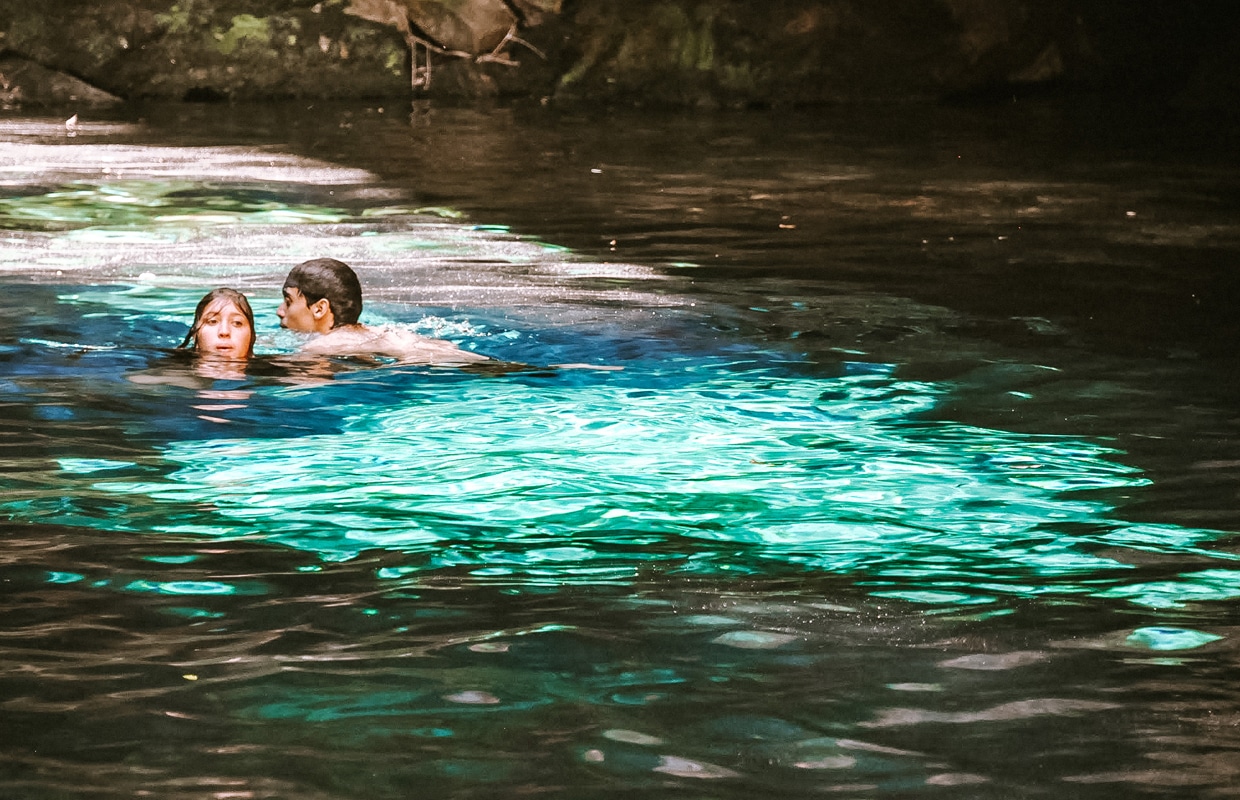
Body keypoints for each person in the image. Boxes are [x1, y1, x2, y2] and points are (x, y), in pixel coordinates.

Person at [277, 258, 489, 365]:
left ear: (320, 308)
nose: (280, 311)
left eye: (288, 301)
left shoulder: (321, 346)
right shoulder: (376, 332)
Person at [179, 287, 255, 360]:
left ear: (251, 337)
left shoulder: (264, 371)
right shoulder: (172, 368)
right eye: (213, 321)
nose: (224, 332)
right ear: (195, 335)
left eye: (237, 323)